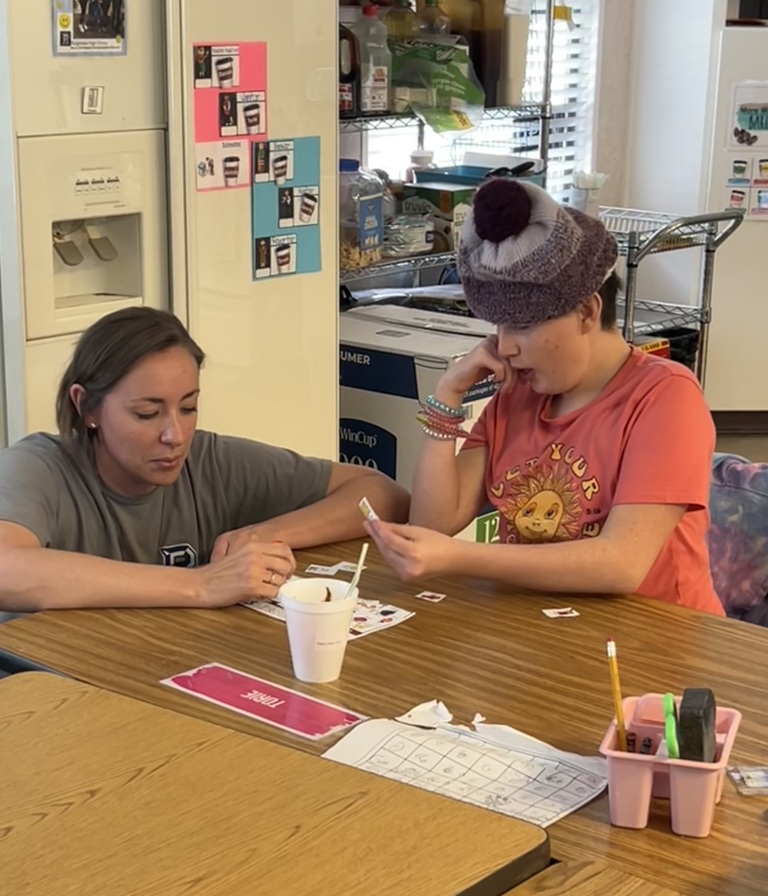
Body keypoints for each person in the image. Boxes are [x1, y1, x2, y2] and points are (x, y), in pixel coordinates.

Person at [366, 178, 723, 615]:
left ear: (588, 312)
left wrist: (457, 556)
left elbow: (620, 563)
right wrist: (448, 394)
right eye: (497, 327)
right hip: (540, 634)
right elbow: (434, 523)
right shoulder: (520, 394)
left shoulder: (666, 398)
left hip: (659, 642)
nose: (505, 347)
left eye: (522, 326)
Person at [0, 307, 409, 612]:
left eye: (188, 408)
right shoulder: (37, 468)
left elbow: (383, 495)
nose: (174, 435)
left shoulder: (212, 461)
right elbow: (6, 568)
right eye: (146, 413)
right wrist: (200, 585)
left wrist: (267, 532)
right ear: (86, 406)